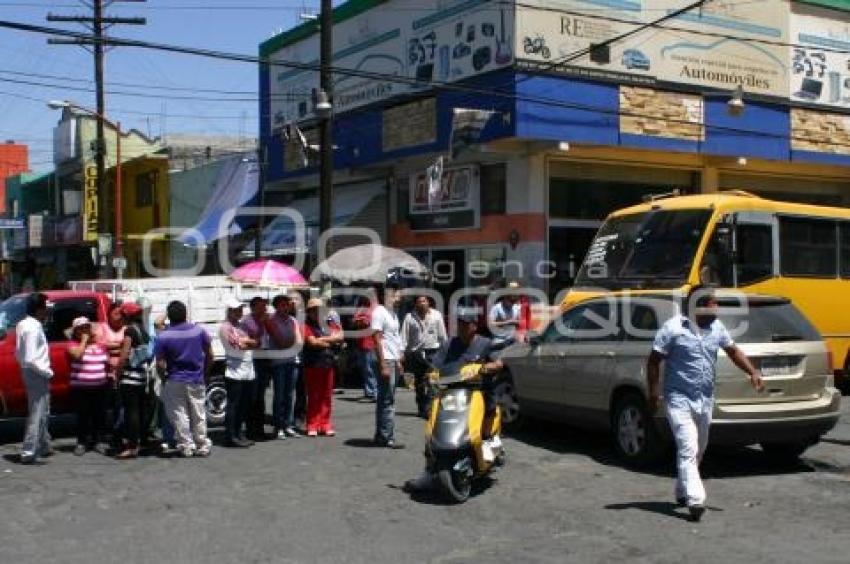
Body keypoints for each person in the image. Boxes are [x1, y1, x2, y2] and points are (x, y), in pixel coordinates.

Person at [647, 286, 764, 522]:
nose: (716, 307)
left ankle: (682, 490)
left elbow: (732, 351)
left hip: (705, 398)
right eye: (712, 303)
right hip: (678, 398)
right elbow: (653, 361)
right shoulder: (673, 329)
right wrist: (653, 393)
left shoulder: (717, 328)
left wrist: (752, 371)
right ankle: (696, 500)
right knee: (688, 446)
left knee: (698, 449)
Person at [404, 308, 504, 492]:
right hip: (451, 392)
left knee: (488, 405)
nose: (461, 327)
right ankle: (428, 471)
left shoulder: (485, 344)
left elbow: (498, 363)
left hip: (478, 391)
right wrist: (431, 374)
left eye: (466, 324)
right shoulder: (449, 344)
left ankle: (489, 441)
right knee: (433, 427)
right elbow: (436, 365)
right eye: (459, 323)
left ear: (474, 326)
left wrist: (482, 368)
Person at [155, 300, 214, 458]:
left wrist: (164, 377)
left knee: (179, 414)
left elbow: (160, 363)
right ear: (185, 314)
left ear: (169, 317)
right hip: (196, 378)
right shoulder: (199, 331)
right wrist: (206, 373)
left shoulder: (164, 336)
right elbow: (210, 354)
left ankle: (186, 445)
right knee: (198, 412)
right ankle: (202, 444)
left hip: (175, 379)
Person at [15, 292, 53, 464]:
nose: (47, 311)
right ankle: (29, 452)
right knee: (37, 413)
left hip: (31, 372)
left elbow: (19, 353)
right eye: (45, 307)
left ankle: (44, 445)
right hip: (36, 372)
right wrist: (46, 371)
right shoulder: (32, 327)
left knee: (43, 410)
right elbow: (30, 357)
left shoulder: (24, 324)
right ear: (39, 309)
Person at [67, 316, 110, 456]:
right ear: (75, 331)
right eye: (81, 328)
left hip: (100, 386)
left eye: (86, 327)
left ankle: (99, 441)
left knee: (99, 415)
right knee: (83, 416)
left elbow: (106, 362)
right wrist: (84, 341)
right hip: (81, 388)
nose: (84, 330)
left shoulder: (100, 345)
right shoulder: (72, 345)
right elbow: (77, 355)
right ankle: (81, 442)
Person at [302, 298, 344, 437]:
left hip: (328, 363)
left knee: (326, 396)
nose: (317, 313)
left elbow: (341, 336)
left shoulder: (329, 323)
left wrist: (323, 340)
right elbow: (312, 343)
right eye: (313, 310)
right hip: (313, 364)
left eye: (319, 310)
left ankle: (325, 424)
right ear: (309, 312)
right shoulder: (306, 325)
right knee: (314, 395)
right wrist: (330, 342)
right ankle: (312, 424)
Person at [115, 302, 152, 459]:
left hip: (130, 377)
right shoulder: (143, 330)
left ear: (127, 316)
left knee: (131, 412)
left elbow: (124, 354)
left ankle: (132, 446)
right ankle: (142, 441)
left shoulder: (129, 330)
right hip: (142, 375)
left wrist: (118, 372)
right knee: (140, 410)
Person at [401, 294, 447, 419]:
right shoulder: (409, 317)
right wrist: (402, 353)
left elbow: (442, 335)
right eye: (419, 301)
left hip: (433, 352)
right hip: (416, 354)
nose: (422, 303)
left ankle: (431, 409)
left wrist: (445, 350)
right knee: (420, 384)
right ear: (416, 304)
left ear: (428, 302)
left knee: (433, 382)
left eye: (424, 301)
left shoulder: (436, 315)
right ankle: (422, 408)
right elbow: (404, 337)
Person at [370, 284, 405, 449]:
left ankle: (381, 434)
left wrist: (398, 361)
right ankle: (386, 436)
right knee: (387, 400)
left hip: (392, 359)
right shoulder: (379, 312)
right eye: (397, 294)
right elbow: (376, 339)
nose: (399, 297)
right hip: (385, 360)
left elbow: (394, 338)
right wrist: (383, 364)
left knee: (387, 399)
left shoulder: (393, 314)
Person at [220, 296, 257, 447]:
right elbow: (237, 345)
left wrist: (248, 342)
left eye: (241, 309)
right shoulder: (225, 327)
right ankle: (230, 435)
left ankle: (239, 432)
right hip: (234, 371)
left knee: (244, 404)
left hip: (247, 369)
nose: (239, 312)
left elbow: (256, 342)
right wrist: (248, 342)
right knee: (233, 405)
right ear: (229, 311)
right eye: (236, 309)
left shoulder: (242, 327)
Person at [265, 294, 302, 439]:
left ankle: (288, 424)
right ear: (276, 306)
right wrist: (293, 341)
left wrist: (292, 342)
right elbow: (281, 343)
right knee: (279, 395)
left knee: (289, 395)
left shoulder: (293, 320)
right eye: (282, 305)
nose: (285, 307)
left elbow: (299, 343)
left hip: (293, 361)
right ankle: (278, 426)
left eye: (287, 304)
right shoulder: (272, 321)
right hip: (279, 363)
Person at [243, 296, 271, 440]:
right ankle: (251, 429)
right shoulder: (248, 321)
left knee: (261, 396)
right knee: (253, 396)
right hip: (254, 358)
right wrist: (261, 324)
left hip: (264, 357)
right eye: (261, 306)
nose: (264, 309)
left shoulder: (266, 319)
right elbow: (255, 340)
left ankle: (259, 429)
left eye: (265, 306)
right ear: (253, 307)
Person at [353, 292, 378, 402]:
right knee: (364, 368)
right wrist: (360, 321)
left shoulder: (375, 308)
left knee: (370, 368)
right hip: (360, 342)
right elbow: (355, 321)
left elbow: (368, 322)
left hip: (370, 343)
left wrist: (361, 321)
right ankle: (369, 391)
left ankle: (373, 392)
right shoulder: (360, 307)